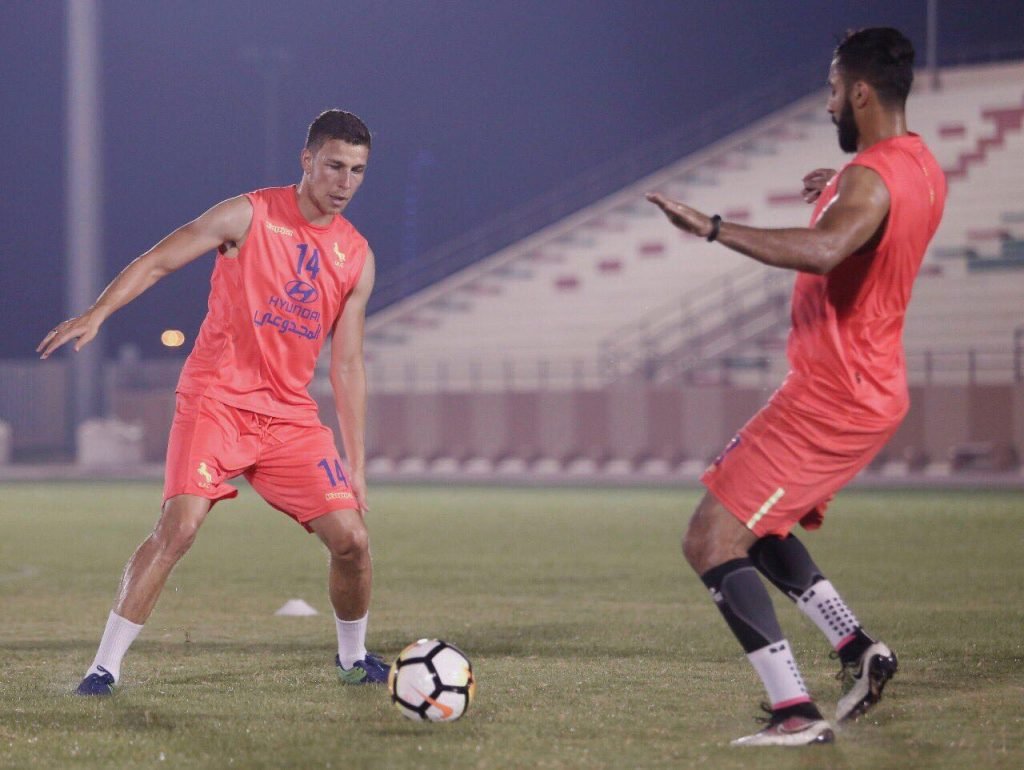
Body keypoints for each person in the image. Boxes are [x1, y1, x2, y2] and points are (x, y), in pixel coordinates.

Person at [647, 28, 946, 746]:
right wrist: (839, 190)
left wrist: (713, 227)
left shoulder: (870, 179)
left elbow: (826, 250)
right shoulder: (918, 165)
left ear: (861, 92)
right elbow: (874, 215)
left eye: (834, 90)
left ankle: (795, 711)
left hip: (831, 395)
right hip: (864, 386)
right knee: (758, 526)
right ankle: (855, 647)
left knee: (710, 538)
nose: (829, 103)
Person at [38, 109, 390, 694]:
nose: (344, 182)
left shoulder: (356, 256)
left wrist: (356, 462)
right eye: (334, 166)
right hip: (216, 401)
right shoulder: (247, 215)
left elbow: (348, 364)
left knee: (352, 541)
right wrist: (99, 312)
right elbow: (159, 259)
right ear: (306, 160)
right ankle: (104, 668)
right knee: (179, 527)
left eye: (357, 170)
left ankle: (353, 659)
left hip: (289, 417)